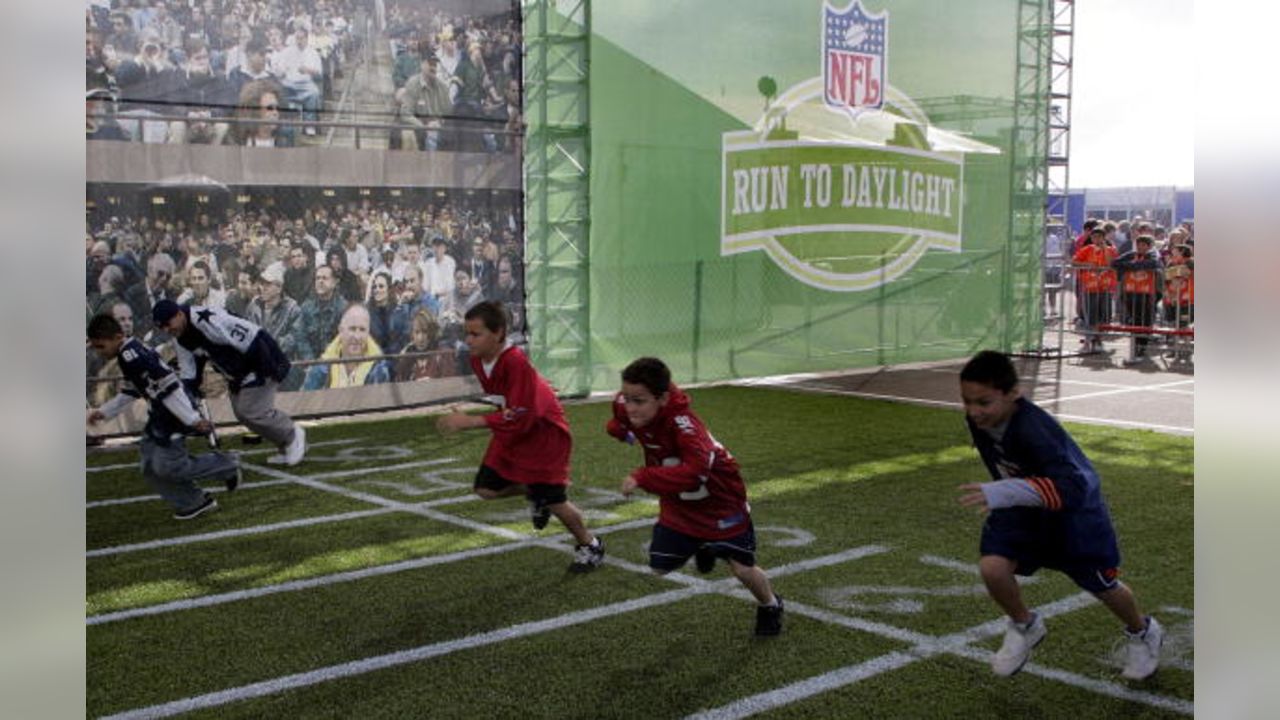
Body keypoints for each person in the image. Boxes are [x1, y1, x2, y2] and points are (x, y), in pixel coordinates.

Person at [956, 350, 1163, 679]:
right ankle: (1025, 625)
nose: (974, 411)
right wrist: (1009, 492)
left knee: (1102, 585)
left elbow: (1074, 487)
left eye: (983, 403)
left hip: (1073, 516)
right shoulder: (980, 419)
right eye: (967, 401)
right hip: (1024, 507)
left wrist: (1003, 491)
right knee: (992, 567)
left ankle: (1143, 632)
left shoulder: (1037, 431)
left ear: (1014, 394)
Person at [609, 356, 784, 636]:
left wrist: (643, 476)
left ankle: (771, 605)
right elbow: (618, 417)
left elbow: (695, 472)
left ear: (663, 398)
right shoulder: (626, 402)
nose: (629, 406)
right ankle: (703, 547)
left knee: (742, 569)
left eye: (638, 401)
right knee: (659, 565)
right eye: (627, 398)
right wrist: (620, 430)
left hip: (721, 502)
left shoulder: (686, 426)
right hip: (681, 505)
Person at [436, 301, 604, 572]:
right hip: (515, 429)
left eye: (475, 334)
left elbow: (523, 414)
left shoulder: (514, 361)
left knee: (556, 500)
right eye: (467, 333)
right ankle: (534, 492)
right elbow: (511, 399)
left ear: (499, 333)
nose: (468, 340)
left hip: (543, 434)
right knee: (485, 489)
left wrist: (470, 421)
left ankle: (590, 544)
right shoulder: (478, 360)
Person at [86, 313, 240, 519]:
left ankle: (227, 465)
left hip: (172, 416)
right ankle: (193, 502)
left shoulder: (132, 356)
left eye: (101, 346)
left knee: (170, 467)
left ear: (117, 336)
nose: (99, 352)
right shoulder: (128, 353)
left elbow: (170, 386)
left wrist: (192, 418)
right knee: (150, 466)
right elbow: (133, 390)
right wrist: (104, 412)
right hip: (160, 414)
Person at [151, 299, 306, 466]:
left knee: (250, 410)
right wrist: (189, 392)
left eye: (168, 323)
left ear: (179, 314)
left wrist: (269, 368)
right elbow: (189, 370)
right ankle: (286, 445)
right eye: (162, 327)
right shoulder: (180, 337)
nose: (166, 330)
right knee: (242, 413)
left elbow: (252, 335)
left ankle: (293, 434)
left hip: (261, 360)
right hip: (238, 373)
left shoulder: (208, 320)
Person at [302, 303, 392, 389]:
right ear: (340, 330)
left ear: (368, 333)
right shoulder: (320, 371)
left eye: (362, 330)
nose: (357, 336)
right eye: (352, 329)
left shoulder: (379, 371)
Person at [1111, 235, 1162, 361]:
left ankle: (1142, 346)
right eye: (1139, 244)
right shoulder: (1131, 254)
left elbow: (1154, 264)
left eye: (1144, 245)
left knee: (1144, 320)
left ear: (1149, 246)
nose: (1140, 247)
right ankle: (1135, 346)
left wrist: (1132, 265)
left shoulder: (1152, 255)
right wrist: (1134, 265)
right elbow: (1115, 262)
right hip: (1130, 291)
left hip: (1146, 293)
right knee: (1133, 319)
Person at [394, 308, 455, 381]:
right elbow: (400, 384)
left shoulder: (444, 354)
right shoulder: (407, 356)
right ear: (412, 334)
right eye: (417, 332)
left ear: (432, 332)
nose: (420, 338)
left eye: (425, 332)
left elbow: (449, 386)